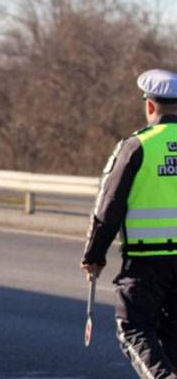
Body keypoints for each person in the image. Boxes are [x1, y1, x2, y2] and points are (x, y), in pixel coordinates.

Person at [82, 69, 177, 378]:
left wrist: (94, 255)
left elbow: (108, 206)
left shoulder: (137, 146)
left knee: (134, 329)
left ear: (150, 106)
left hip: (147, 263)